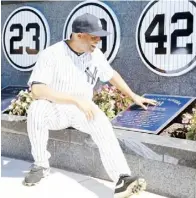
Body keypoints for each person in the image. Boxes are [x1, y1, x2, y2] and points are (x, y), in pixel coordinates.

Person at [24, 13, 157, 198]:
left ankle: (121, 179)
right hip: (56, 109)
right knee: (36, 109)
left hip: (82, 110)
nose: (98, 41)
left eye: (100, 37)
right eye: (94, 36)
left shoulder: (95, 54)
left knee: (102, 123)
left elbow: (111, 75)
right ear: (78, 35)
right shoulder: (52, 54)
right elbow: (37, 90)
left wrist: (133, 96)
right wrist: (75, 100)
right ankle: (40, 165)